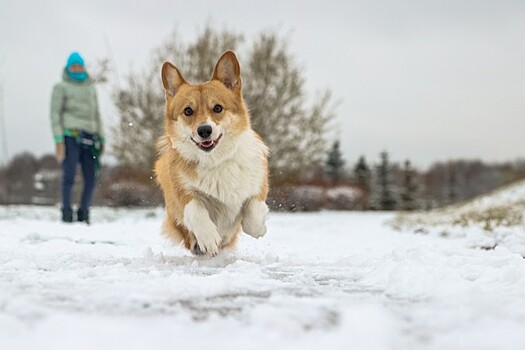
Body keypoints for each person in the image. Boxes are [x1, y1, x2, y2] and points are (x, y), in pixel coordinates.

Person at [50, 52, 104, 224]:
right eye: (73, 66)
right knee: (69, 176)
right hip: (70, 137)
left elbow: (97, 114)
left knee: (91, 177)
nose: (77, 69)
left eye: (80, 66)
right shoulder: (61, 87)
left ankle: (84, 212)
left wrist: (101, 137)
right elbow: (54, 114)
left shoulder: (90, 88)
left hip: (90, 137)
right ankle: (66, 212)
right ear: (68, 68)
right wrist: (59, 140)